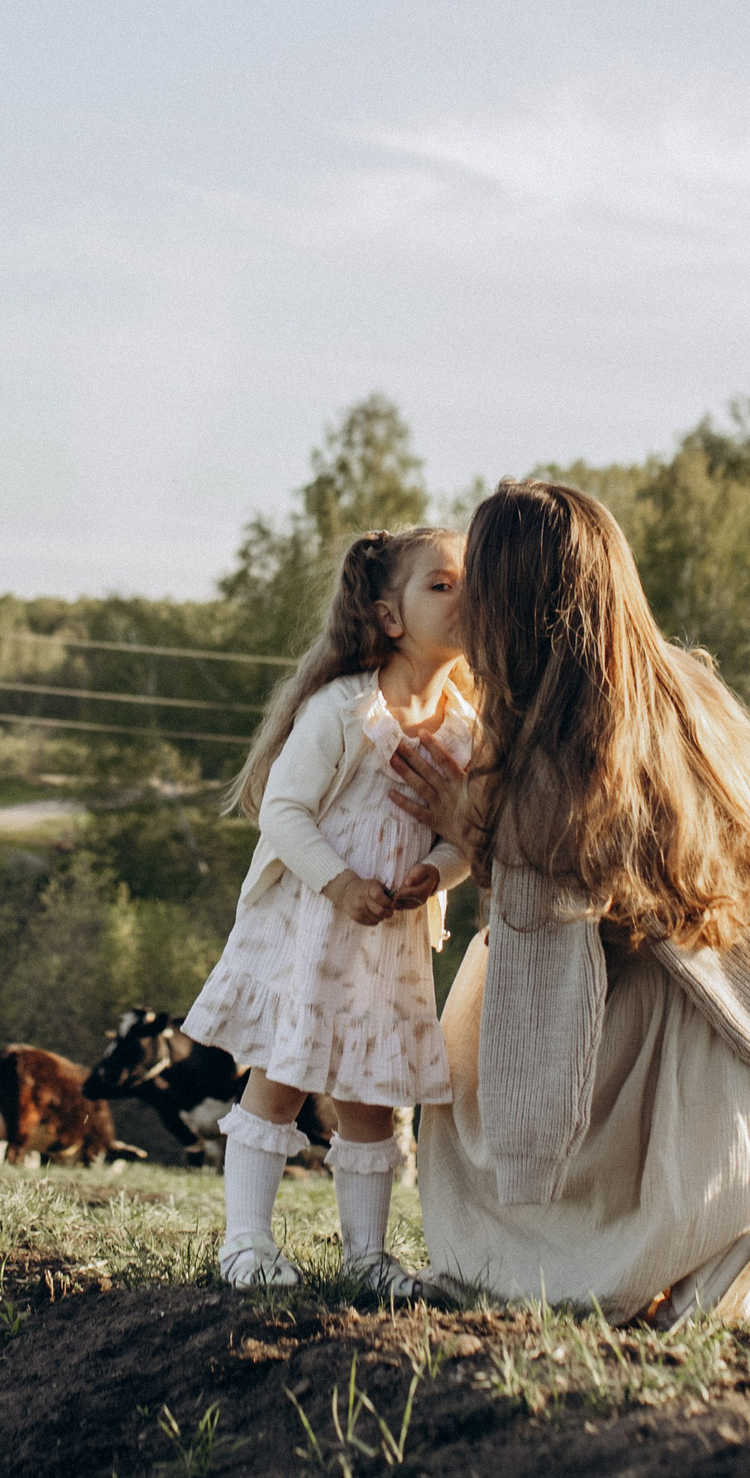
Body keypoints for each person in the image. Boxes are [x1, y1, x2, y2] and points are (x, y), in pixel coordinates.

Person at [389, 480, 750, 1326]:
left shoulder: (547, 764)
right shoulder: (684, 690)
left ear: (511, 608)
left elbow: (541, 1024)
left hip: (702, 1053)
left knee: (473, 1043)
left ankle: (627, 1260)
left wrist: (471, 829)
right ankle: (700, 1254)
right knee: (618, 986)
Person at [184, 526, 477, 1297]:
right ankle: (245, 1243)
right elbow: (282, 811)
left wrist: (435, 871)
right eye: (441, 586)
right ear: (388, 617)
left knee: (372, 1100)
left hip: (389, 947)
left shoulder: (467, 729)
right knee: (280, 1080)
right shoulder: (345, 710)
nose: (465, 597)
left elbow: (468, 838)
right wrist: (342, 883)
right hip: (311, 932)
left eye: (470, 583)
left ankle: (368, 1259)